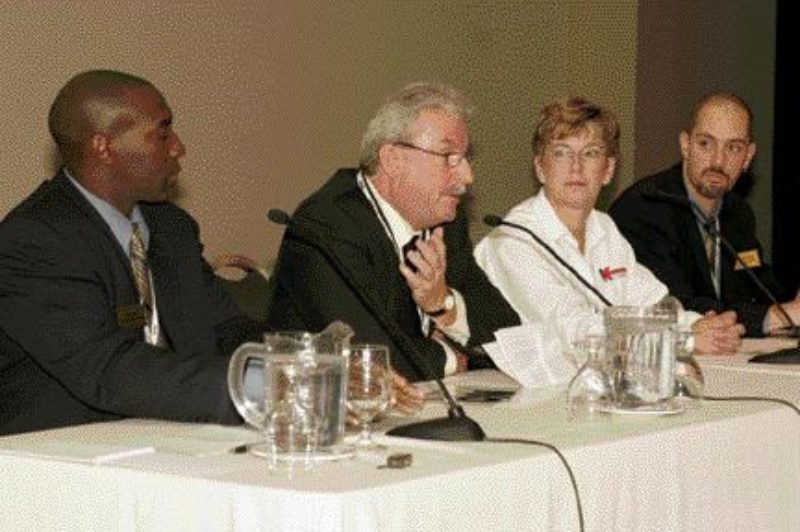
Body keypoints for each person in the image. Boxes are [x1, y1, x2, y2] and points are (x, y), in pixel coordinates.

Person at [0, 70, 421, 436]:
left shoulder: (170, 228)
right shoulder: (34, 240)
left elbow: (225, 329)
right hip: (59, 465)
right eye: (162, 133)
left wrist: (315, 363)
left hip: (170, 442)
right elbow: (111, 370)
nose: (178, 147)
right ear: (103, 147)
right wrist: (274, 385)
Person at [268, 82, 520, 381]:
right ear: (393, 160)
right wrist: (454, 357)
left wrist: (444, 305)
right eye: (449, 157)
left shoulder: (445, 224)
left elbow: (508, 334)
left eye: (465, 158)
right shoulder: (327, 226)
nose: (467, 176)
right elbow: (369, 359)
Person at [475, 97, 744, 364]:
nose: (576, 166)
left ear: (608, 170)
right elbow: (575, 333)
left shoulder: (603, 227)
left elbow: (651, 303)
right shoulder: (513, 241)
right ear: (540, 168)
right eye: (561, 152)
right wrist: (685, 339)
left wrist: (700, 326)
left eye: (591, 153)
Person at [609, 92, 799, 337]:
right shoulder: (644, 208)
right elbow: (671, 307)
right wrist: (773, 316)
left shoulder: (738, 212)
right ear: (685, 145)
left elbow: (757, 286)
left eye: (733, 147)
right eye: (705, 144)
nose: (718, 160)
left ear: (748, 157)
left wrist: (790, 303)